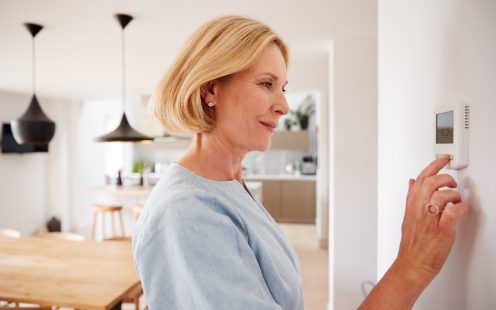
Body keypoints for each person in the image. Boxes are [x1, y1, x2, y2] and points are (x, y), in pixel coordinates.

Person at [132, 15, 469, 309]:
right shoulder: (187, 212)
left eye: (283, 88)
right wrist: (411, 266)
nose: (284, 106)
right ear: (210, 90)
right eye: (266, 84)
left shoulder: (229, 185)